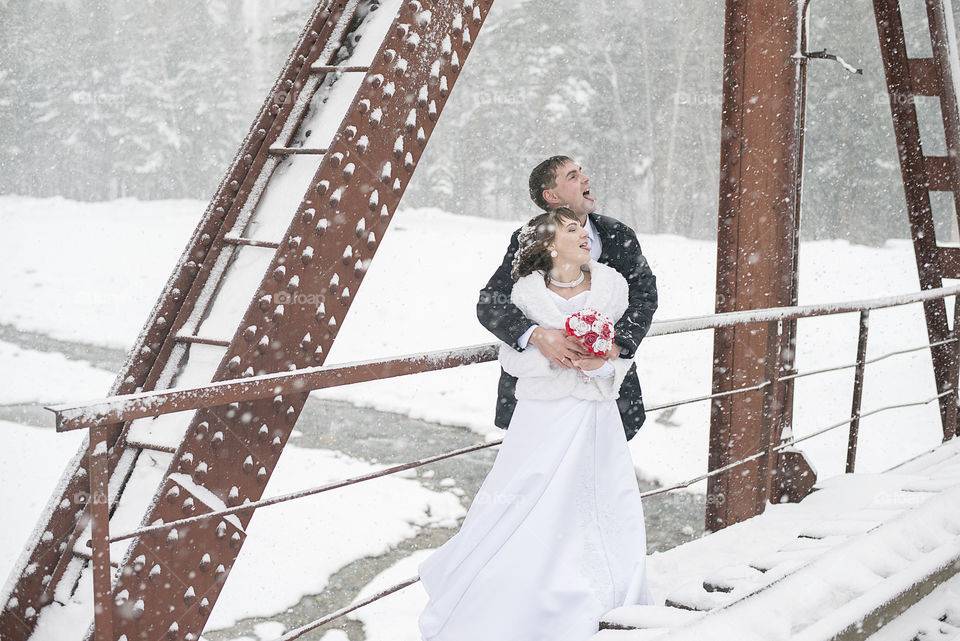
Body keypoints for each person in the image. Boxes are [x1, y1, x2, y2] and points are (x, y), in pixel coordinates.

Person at [417, 207, 655, 641]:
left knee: (601, 499)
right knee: (521, 498)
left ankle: (605, 591)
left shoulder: (612, 286)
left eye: (582, 229)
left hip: (595, 413)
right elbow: (510, 355)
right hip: (540, 414)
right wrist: (546, 351)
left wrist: (602, 360)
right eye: (571, 229)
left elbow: (624, 350)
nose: (584, 235)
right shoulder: (525, 293)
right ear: (548, 245)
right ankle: (512, 593)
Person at [477, 156, 658, 442]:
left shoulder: (618, 235)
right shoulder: (529, 238)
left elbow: (644, 296)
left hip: (606, 392)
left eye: (582, 172)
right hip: (541, 399)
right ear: (552, 196)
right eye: (573, 176)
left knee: (600, 475)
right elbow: (491, 302)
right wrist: (535, 335)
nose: (586, 179)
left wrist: (617, 343)